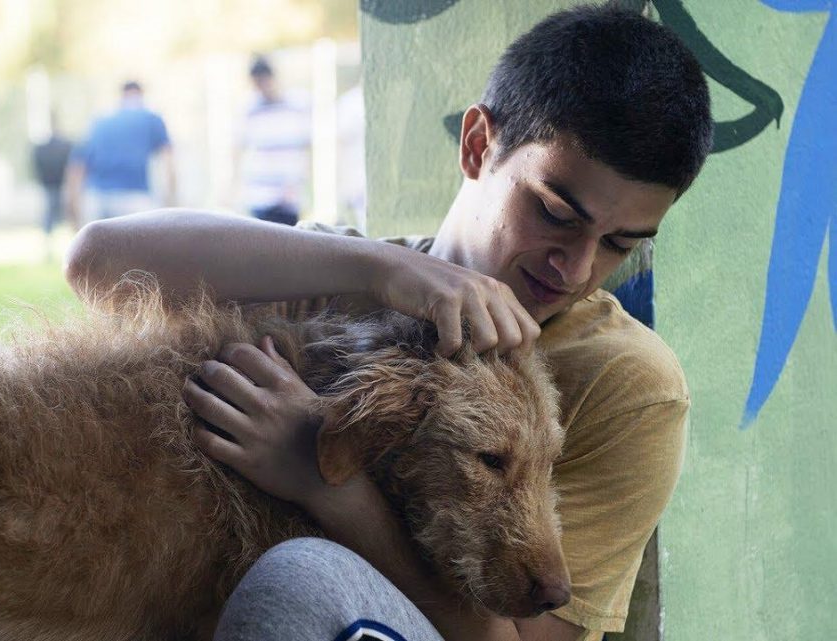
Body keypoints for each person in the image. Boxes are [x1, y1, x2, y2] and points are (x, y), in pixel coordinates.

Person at [64, 5, 711, 641]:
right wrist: (376, 266)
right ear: (479, 144)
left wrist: (325, 483)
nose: (575, 267)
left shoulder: (631, 382)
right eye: (554, 213)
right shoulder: (341, 283)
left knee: (302, 581)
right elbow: (97, 264)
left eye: (620, 244)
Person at [64, 81, 175, 225]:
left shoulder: (99, 122)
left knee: (99, 247)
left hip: (97, 198)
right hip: (135, 199)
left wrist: (72, 205)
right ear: (141, 95)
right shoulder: (151, 118)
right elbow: (169, 162)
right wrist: (171, 201)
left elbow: (77, 166)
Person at [235, 56, 312, 226]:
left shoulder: (297, 105)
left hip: (289, 197)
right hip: (260, 195)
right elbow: (238, 148)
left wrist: (299, 181)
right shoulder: (249, 109)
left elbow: (306, 148)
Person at [31, 114, 73, 235]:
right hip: (55, 183)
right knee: (54, 212)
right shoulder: (64, 145)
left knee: (54, 212)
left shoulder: (45, 147)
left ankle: (51, 235)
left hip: (54, 183)